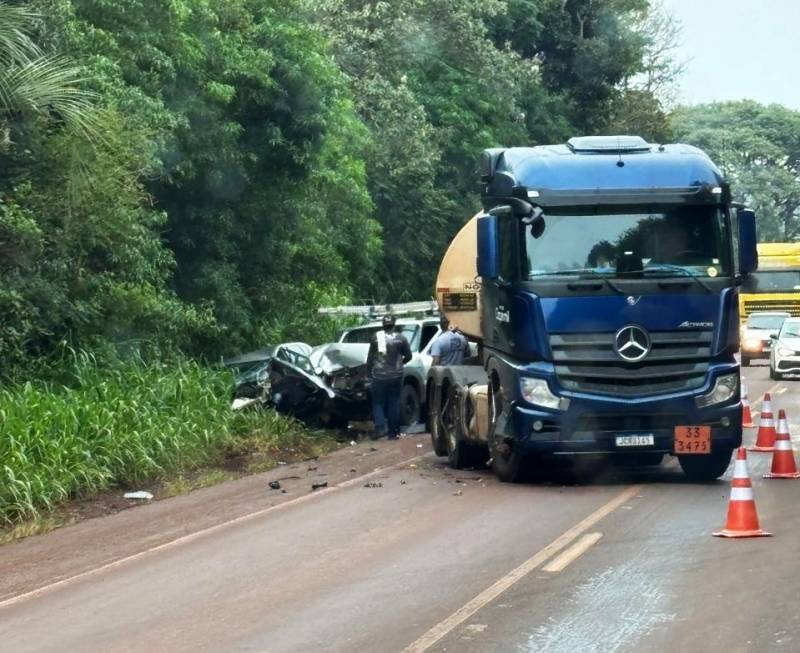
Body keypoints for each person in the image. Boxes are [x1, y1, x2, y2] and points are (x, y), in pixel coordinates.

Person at [366, 314, 412, 440]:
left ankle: (381, 427)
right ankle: (393, 433)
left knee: (378, 403)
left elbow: (370, 358)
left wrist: (368, 374)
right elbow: (409, 356)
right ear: (394, 324)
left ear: (383, 325)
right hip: (396, 376)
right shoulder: (401, 338)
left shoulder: (376, 337)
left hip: (379, 376)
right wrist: (401, 363)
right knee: (394, 402)